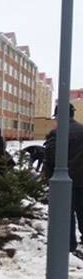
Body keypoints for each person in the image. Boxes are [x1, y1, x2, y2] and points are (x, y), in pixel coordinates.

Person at [44, 103, 83, 251]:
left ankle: (69, 245)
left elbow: (51, 156)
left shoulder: (57, 133)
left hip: (64, 181)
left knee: (66, 213)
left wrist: (49, 178)